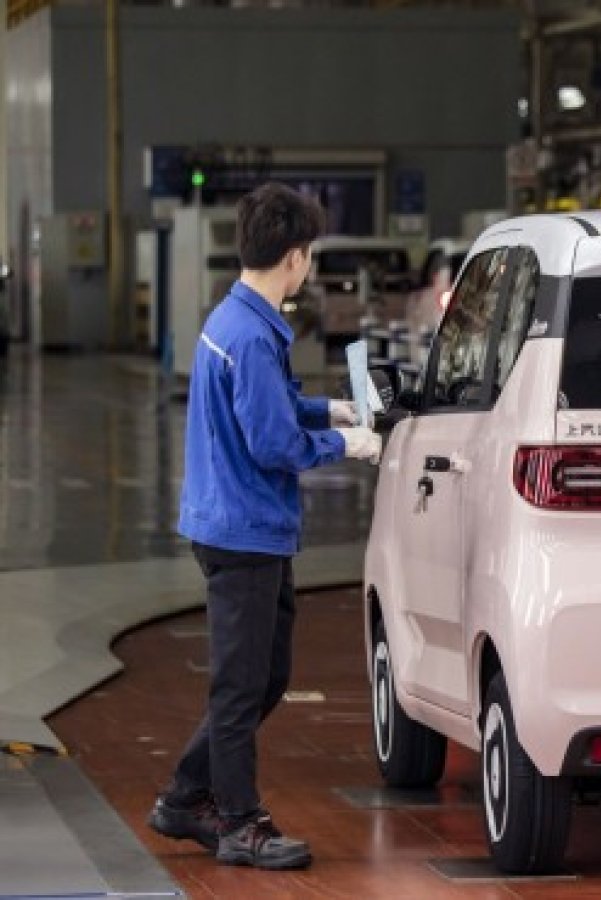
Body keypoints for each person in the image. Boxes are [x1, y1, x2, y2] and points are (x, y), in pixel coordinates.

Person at [146, 183, 382, 870]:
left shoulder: (237, 319)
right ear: (295, 257)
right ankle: (240, 823)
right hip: (242, 531)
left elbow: (271, 407)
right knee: (241, 686)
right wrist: (349, 444)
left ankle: (185, 797)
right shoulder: (250, 337)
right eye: (309, 254)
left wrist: (330, 409)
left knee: (267, 675)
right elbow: (273, 443)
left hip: (245, 526)